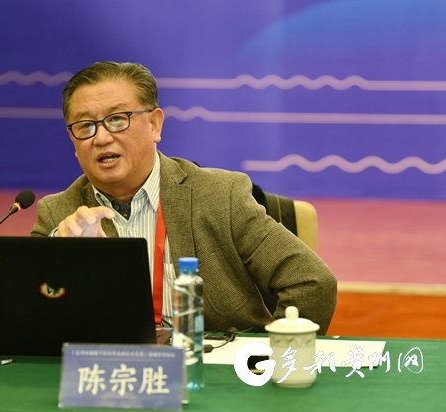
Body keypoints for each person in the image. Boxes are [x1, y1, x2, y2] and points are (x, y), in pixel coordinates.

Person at [31, 61, 337, 334]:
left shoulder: (219, 195)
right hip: (111, 369)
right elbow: (31, 314)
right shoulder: (59, 214)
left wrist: (267, 361)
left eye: (117, 119)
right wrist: (62, 257)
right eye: (85, 126)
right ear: (73, 140)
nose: (101, 137)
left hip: (213, 366)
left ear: (154, 124)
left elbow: (312, 283)